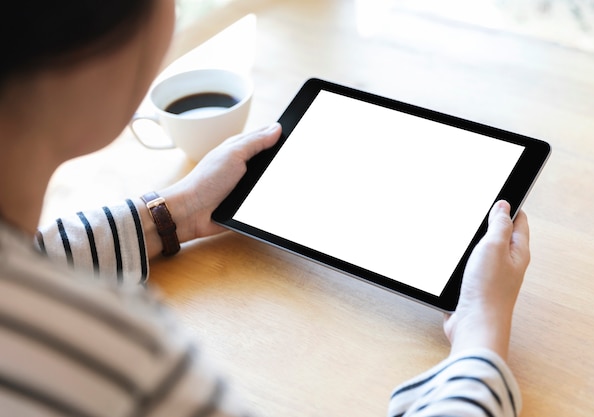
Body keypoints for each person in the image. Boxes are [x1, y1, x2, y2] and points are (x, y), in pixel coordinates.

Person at [0, 1, 530, 416]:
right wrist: (481, 337)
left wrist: (176, 212)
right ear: (89, 54)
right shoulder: (109, 354)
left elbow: (27, 262)